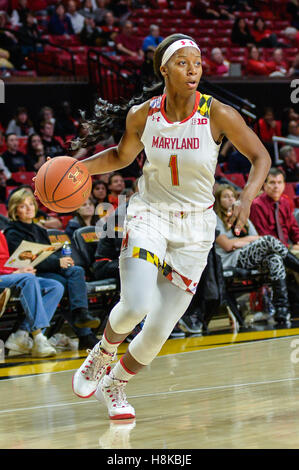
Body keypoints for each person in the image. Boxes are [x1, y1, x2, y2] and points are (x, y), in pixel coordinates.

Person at [70, 33, 271, 420]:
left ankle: (115, 385)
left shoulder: (219, 113)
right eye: (183, 62)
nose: (193, 68)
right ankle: (101, 354)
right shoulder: (142, 114)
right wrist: (78, 166)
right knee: (136, 304)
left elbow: (260, 156)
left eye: (197, 62)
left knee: (159, 330)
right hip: (151, 215)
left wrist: (246, 198)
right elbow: (120, 155)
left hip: (197, 228)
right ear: (164, 68)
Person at [4, 188, 101, 350]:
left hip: (47, 269)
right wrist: (57, 262)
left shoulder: (40, 230)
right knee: (64, 284)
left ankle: (81, 313)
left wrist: (61, 260)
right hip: (31, 273)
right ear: (15, 210)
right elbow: (26, 261)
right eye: (22, 206)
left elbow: (46, 254)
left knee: (76, 271)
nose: (28, 208)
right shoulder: (12, 232)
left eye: (30, 204)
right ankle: (84, 333)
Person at [215, 184, 299, 324]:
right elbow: (228, 245)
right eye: (225, 196)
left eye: (232, 196)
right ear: (218, 200)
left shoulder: (242, 216)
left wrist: (239, 241)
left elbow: (257, 238)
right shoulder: (214, 220)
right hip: (230, 259)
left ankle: (282, 310)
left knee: (275, 258)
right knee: (269, 240)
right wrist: (244, 241)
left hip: (246, 255)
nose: (230, 199)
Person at [0, 230, 64, 357]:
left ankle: (22, 335)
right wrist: (14, 273)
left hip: (8, 275)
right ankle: (39, 338)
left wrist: (20, 269)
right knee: (28, 279)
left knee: (55, 286)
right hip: (4, 277)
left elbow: (5, 261)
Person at [250, 168, 299, 250]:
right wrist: (290, 247)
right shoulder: (257, 205)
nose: (276, 186)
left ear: (284, 185)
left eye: (279, 182)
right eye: (272, 182)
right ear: (264, 185)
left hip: (287, 247)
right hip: (268, 249)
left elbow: (294, 228)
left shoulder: (285, 203)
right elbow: (264, 235)